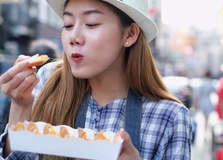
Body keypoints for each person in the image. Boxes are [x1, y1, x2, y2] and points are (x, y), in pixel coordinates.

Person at [0, 0, 192, 159]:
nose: (73, 37)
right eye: (67, 25)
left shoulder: (169, 117)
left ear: (130, 34)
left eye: (91, 23)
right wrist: (20, 105)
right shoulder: (48, 80)